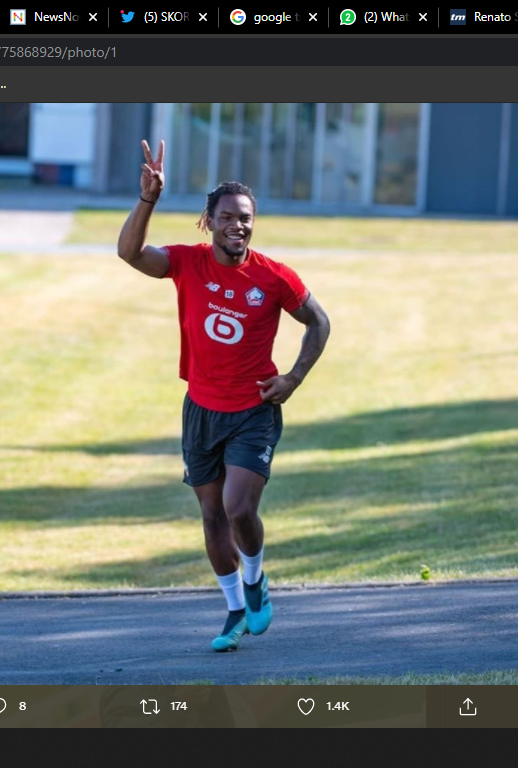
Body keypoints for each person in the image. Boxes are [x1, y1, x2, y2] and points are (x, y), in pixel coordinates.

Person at [116, 140, 331, 652]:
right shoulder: (187, 264)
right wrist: (147, 199)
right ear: (208, 222)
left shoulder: (274, 277)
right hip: (201, 411)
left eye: (247, 217)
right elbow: (129, 253)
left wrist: (294, 378)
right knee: (212, 516)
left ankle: (255, 580)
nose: (240, 225)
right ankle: (235, 607)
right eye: (229, 217)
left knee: (238, 510)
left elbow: (318, 322)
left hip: (254, 410)